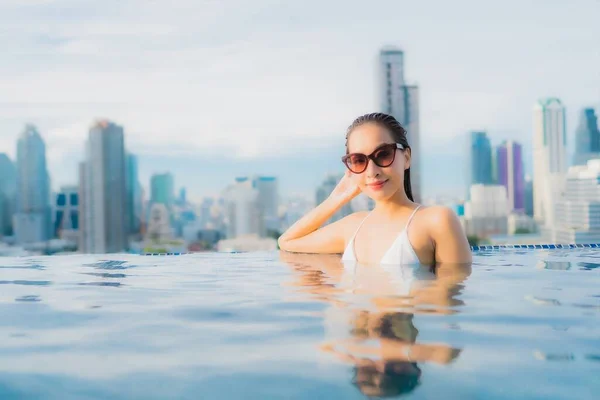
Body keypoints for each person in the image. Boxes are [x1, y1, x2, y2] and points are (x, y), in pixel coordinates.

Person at [278, 112, 472, 265]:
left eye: (383, 154)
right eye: (358, 160)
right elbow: (286, 242)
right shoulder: (353, 226)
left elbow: (448, 305)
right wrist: (335, 199)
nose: (372, 171)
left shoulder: (437, 220)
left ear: (406, 158)